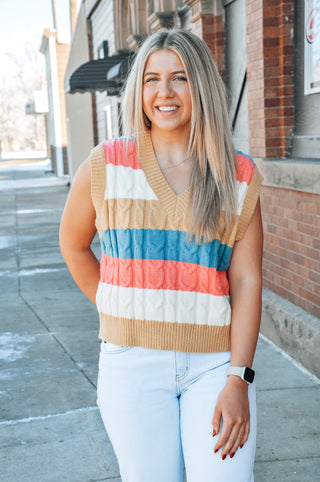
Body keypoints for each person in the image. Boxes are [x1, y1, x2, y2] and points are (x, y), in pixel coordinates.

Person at [59, 28, 263, 482]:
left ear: (202, 86)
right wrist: (122, 309)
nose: (164, 92)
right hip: (130, 367)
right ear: (139, 89)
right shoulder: (104, 165)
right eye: (151, 79)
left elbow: (247, 281)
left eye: (180, 78)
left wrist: (239, 379)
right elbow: (73, 246)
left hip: (214, 366)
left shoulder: (238, 174)